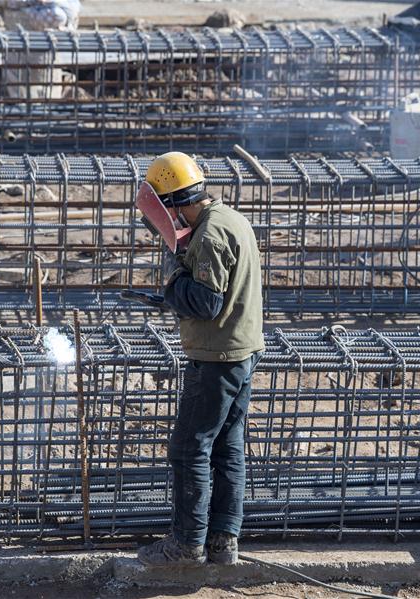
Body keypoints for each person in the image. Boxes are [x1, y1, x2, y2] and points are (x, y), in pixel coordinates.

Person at [134, 152, 264, 567]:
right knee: (228, 448)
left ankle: (187, 545)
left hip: (216, 358)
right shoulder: (232, 219)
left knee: (189, 448)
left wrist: (174, 280)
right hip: (241, 351)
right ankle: (223, 544)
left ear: (171, 203)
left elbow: (206, 302)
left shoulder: (209, 235)